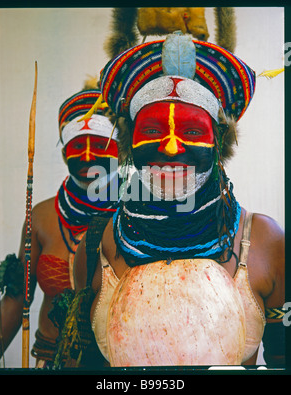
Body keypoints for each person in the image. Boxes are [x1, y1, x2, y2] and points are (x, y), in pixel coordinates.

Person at [66, 32, 285, 368]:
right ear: (129, 143)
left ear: (217, 143)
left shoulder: (264, 242)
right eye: (152, 130)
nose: (170, 147)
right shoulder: (97, 246)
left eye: (193, 131)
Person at [0, 86, 119, 368]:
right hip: (51, 360)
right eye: (78, 145)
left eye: (100, 144)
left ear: (121, 150)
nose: (88, 156)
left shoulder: (137, 217)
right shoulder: (41, 217)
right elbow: (17, 298)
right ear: (64, 152)